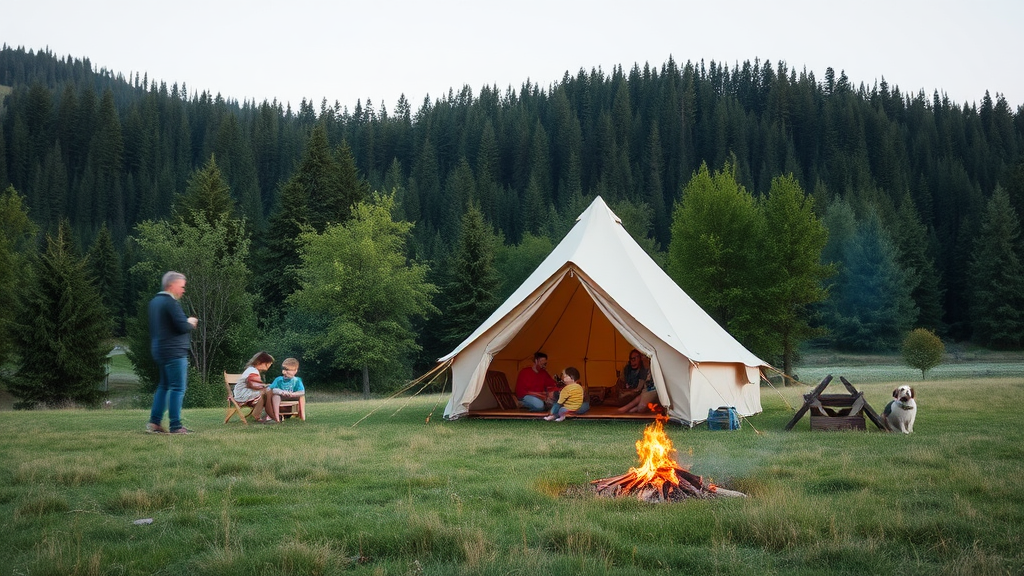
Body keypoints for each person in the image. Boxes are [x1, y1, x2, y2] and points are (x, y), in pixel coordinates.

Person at [147, 271, 198, 434]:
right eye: (182, 287)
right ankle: (176, 425)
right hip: (174, 352)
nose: (183, 290)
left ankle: (154, 423)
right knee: (177, 388)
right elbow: (181, 326)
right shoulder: (170, 303)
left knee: (164, 386)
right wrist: (190, 322)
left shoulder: (154, 302)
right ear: (172, 285)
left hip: (159, 350)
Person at [234, 351, 273, 423]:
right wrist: (265, 386)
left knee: (268, 390)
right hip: (243, 395)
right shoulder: (252, 371)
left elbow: (254, 384)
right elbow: (253, 384)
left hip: (244, 393)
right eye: (269, 363)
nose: (270, 364)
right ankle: (261, 415)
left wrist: (265, 386)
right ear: (261, 362)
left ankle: (263, 414)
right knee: (267, 392)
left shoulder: (252, 370)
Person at [265, 357, 305, 422]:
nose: (284, 372)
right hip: (281, 397)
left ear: (295, 371)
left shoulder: (297, 380)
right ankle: (276, 417)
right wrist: (280, 392)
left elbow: (302, 392)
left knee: (302, 397)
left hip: (292, 396)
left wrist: (293, 394)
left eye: (288, 370)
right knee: (275, 396)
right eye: (284, 370)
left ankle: (302, 416)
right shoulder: (279, 379)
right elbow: (270, 390)